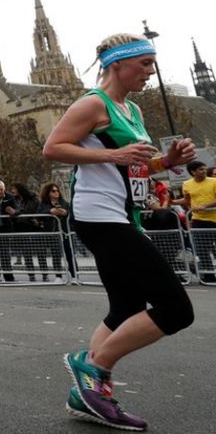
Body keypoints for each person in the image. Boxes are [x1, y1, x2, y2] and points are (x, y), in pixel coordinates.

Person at [43, 32, 196, 430]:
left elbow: (134, 168)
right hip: (98, 215)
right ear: (117, 65)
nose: (152, 70)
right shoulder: (92, 104)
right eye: (145, 63)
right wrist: (114, 153)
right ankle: (92, 365)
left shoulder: (133, 112)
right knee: (176, 309)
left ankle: (90, 394)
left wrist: (168, 161)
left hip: (126, 216)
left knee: (126, 307)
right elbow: (53, 148)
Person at [173, 160, 216, 283]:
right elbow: (187, 201)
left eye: (204, 168)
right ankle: (208, 277)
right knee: (201, 249)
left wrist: (205, 205)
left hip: (214, 218)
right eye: (200, 169)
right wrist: (173, 202)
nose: (204, 171)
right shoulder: (187, 184)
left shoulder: (213, 181)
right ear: (193, 172)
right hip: (199, 220)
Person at [38, 182, 73, 280]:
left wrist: (65, 212)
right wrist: (50, 211)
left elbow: (70, 212)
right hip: (52, 233)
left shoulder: (64, 202)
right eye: (53, 191)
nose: (56, 193)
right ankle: (58, 276)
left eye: (57, 190)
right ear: (48, 193)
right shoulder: (44, 204)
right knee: (56, 255)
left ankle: (73, 275)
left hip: (65, 232)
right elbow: (38, 214)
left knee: (70, 254)